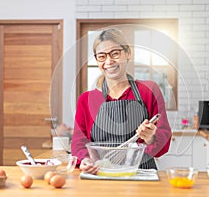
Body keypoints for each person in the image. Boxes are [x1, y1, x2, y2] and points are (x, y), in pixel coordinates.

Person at [71, 28, 172, 175]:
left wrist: (151, 138)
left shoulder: (149, 91)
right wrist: (86, 160)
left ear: (127, 54)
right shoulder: (86, 100)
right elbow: (78, 144)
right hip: (101, 174)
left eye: (115, 53)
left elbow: (163, 141)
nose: (109, 61)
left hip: (141, 173)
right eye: (102, 56)